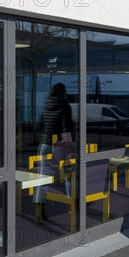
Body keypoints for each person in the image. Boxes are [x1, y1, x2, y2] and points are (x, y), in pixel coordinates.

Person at [35, 82, 74, 220]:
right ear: (64, 92)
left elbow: (40, 125)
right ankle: (72, 204)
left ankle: (40, 208)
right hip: (60, 145)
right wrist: (69, 148)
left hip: (45, 144)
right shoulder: (65, 106)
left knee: (42, 177)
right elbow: (66, 129)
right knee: (69, 173)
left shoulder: (46, 105)